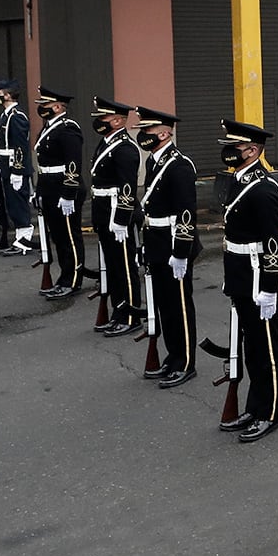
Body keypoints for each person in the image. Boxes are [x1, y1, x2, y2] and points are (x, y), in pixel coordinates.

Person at [218, 120, 278, 441]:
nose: (230, 151)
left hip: (260, 281)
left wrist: (270, 289)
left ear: (253, 150)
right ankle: (255, 406)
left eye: (236, 146)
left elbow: (274, 244)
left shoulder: (263, 189)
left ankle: (270, 412)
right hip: (241, 276)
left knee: (267, 350)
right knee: (252, 348)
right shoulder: (239, 181)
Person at [135, 109, 199, 387]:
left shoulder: (179, 165)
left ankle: (185, 363)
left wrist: (181, 252)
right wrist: (145, 246)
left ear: (164, 133)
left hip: (174, 245)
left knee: (179, 306)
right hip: (156, 241)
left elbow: (186, 214)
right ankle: (173, 357)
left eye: (148, 130)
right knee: (164, 305)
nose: (143, 135)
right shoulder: (154, 161)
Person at [89, 98, 143, 338]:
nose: (100, 121)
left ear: (119, 121)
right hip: (103, 211)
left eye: (105, 118)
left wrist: (122, 219)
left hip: (116, 213)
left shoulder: (125, 148)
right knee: (112, 267)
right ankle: (117, 312)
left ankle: (130, 316)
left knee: (124, 267)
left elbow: (127, 188)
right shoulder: (106, 142)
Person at [33, 88, 87, 298]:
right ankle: (64, 276)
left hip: (64, 188)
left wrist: (68, 194)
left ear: (57, 107)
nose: (41, 108)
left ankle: (72, 281)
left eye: (45, 105)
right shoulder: (49, 128)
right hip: (49, 187)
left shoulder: (68, 128)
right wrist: (39, 192)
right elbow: (44, 165)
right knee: (58, 237)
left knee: (69, 237)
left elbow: (73, 164)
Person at [0, 81, 34, 256]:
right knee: (12, 204)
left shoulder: (17, 116)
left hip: (15, 167)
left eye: (2, 93)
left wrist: (17, 170)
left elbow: (20, 146)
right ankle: (19, 238)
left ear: (9, 95)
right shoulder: (6, 115)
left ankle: (24, 240)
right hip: (6, 166)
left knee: (19, 204)